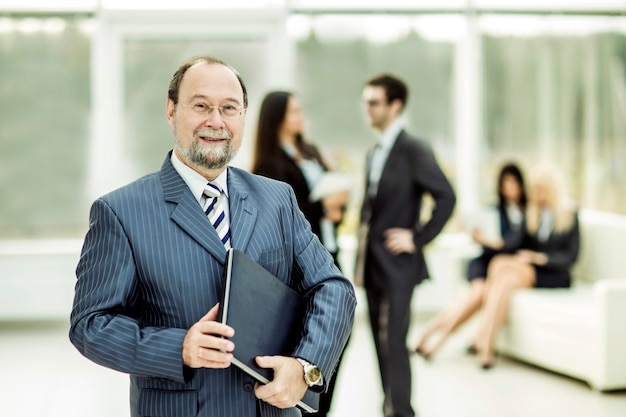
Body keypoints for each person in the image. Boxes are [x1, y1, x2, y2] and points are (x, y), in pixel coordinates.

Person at [69, 55, 356, 417]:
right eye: (201, 105)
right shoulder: (120, 211)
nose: (215, 121)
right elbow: (90, 325)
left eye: (229, 108)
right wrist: (180, 348)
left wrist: (305, 366)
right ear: (171, 111)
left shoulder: (277, 198)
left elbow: (333, 287)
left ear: (243, 116)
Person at [356, 74, 456, 417]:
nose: (366, 108)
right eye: (365, 101)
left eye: (373, 102)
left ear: (395, 106)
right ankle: (391, 405)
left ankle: (402, 411)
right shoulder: (374, 151)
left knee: (395, 343)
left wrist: (418, 237)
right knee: (379, 344)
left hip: (398, 266)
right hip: (371, 264)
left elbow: (446, 196)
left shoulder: (414, 149)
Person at [251, 90, 350, 417]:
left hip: (330, 250)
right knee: (307, 334)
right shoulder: (269, 163)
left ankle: (322, 408)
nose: (299, 116)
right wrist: (323, 207)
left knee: (335, 335)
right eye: (292, 110)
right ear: (276, 117)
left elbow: (327, 202)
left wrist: (338, 209)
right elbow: (283, 215)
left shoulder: (310, 151)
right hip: (300, 265)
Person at [414, 162, 527, 359]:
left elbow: (511, 244)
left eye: (513, 183)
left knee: (468, 303)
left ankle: (434, 340)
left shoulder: (527, 213)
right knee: (473, 299)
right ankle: (428, 336)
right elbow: (492, 243)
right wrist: (480, 238)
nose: (510, 189)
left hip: (501, 269)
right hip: (484, 264)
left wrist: (490, 241)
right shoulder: (495, 211)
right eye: (506, 184)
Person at [472, 162, 580, 369]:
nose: (537, 195)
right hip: (532, 271)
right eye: (535, 190)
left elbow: (571, 257)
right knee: (502, 271)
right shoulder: (533, 214)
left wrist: (539, 258)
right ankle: (486, 341)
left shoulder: (569, 215)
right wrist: (486, 240)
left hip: (556, 274)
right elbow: (511, 243)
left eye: (542, 190)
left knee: (504, 272)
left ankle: (483, 339)